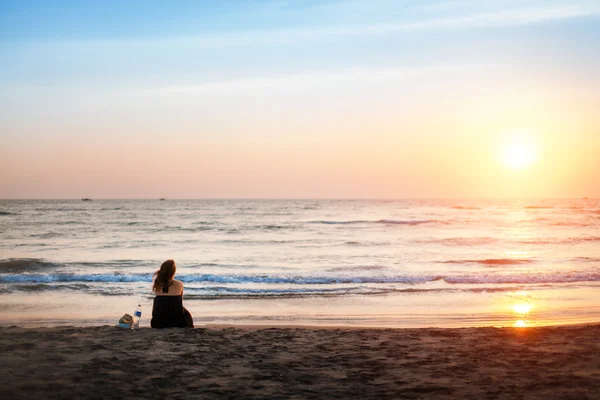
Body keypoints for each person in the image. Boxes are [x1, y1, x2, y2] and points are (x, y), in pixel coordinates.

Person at [151, 259, 194, 328]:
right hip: (176, 322)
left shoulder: (157, 284)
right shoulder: (179, 284)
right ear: (173, 272)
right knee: (185, 313)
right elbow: (179, 303)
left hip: (158, 322)